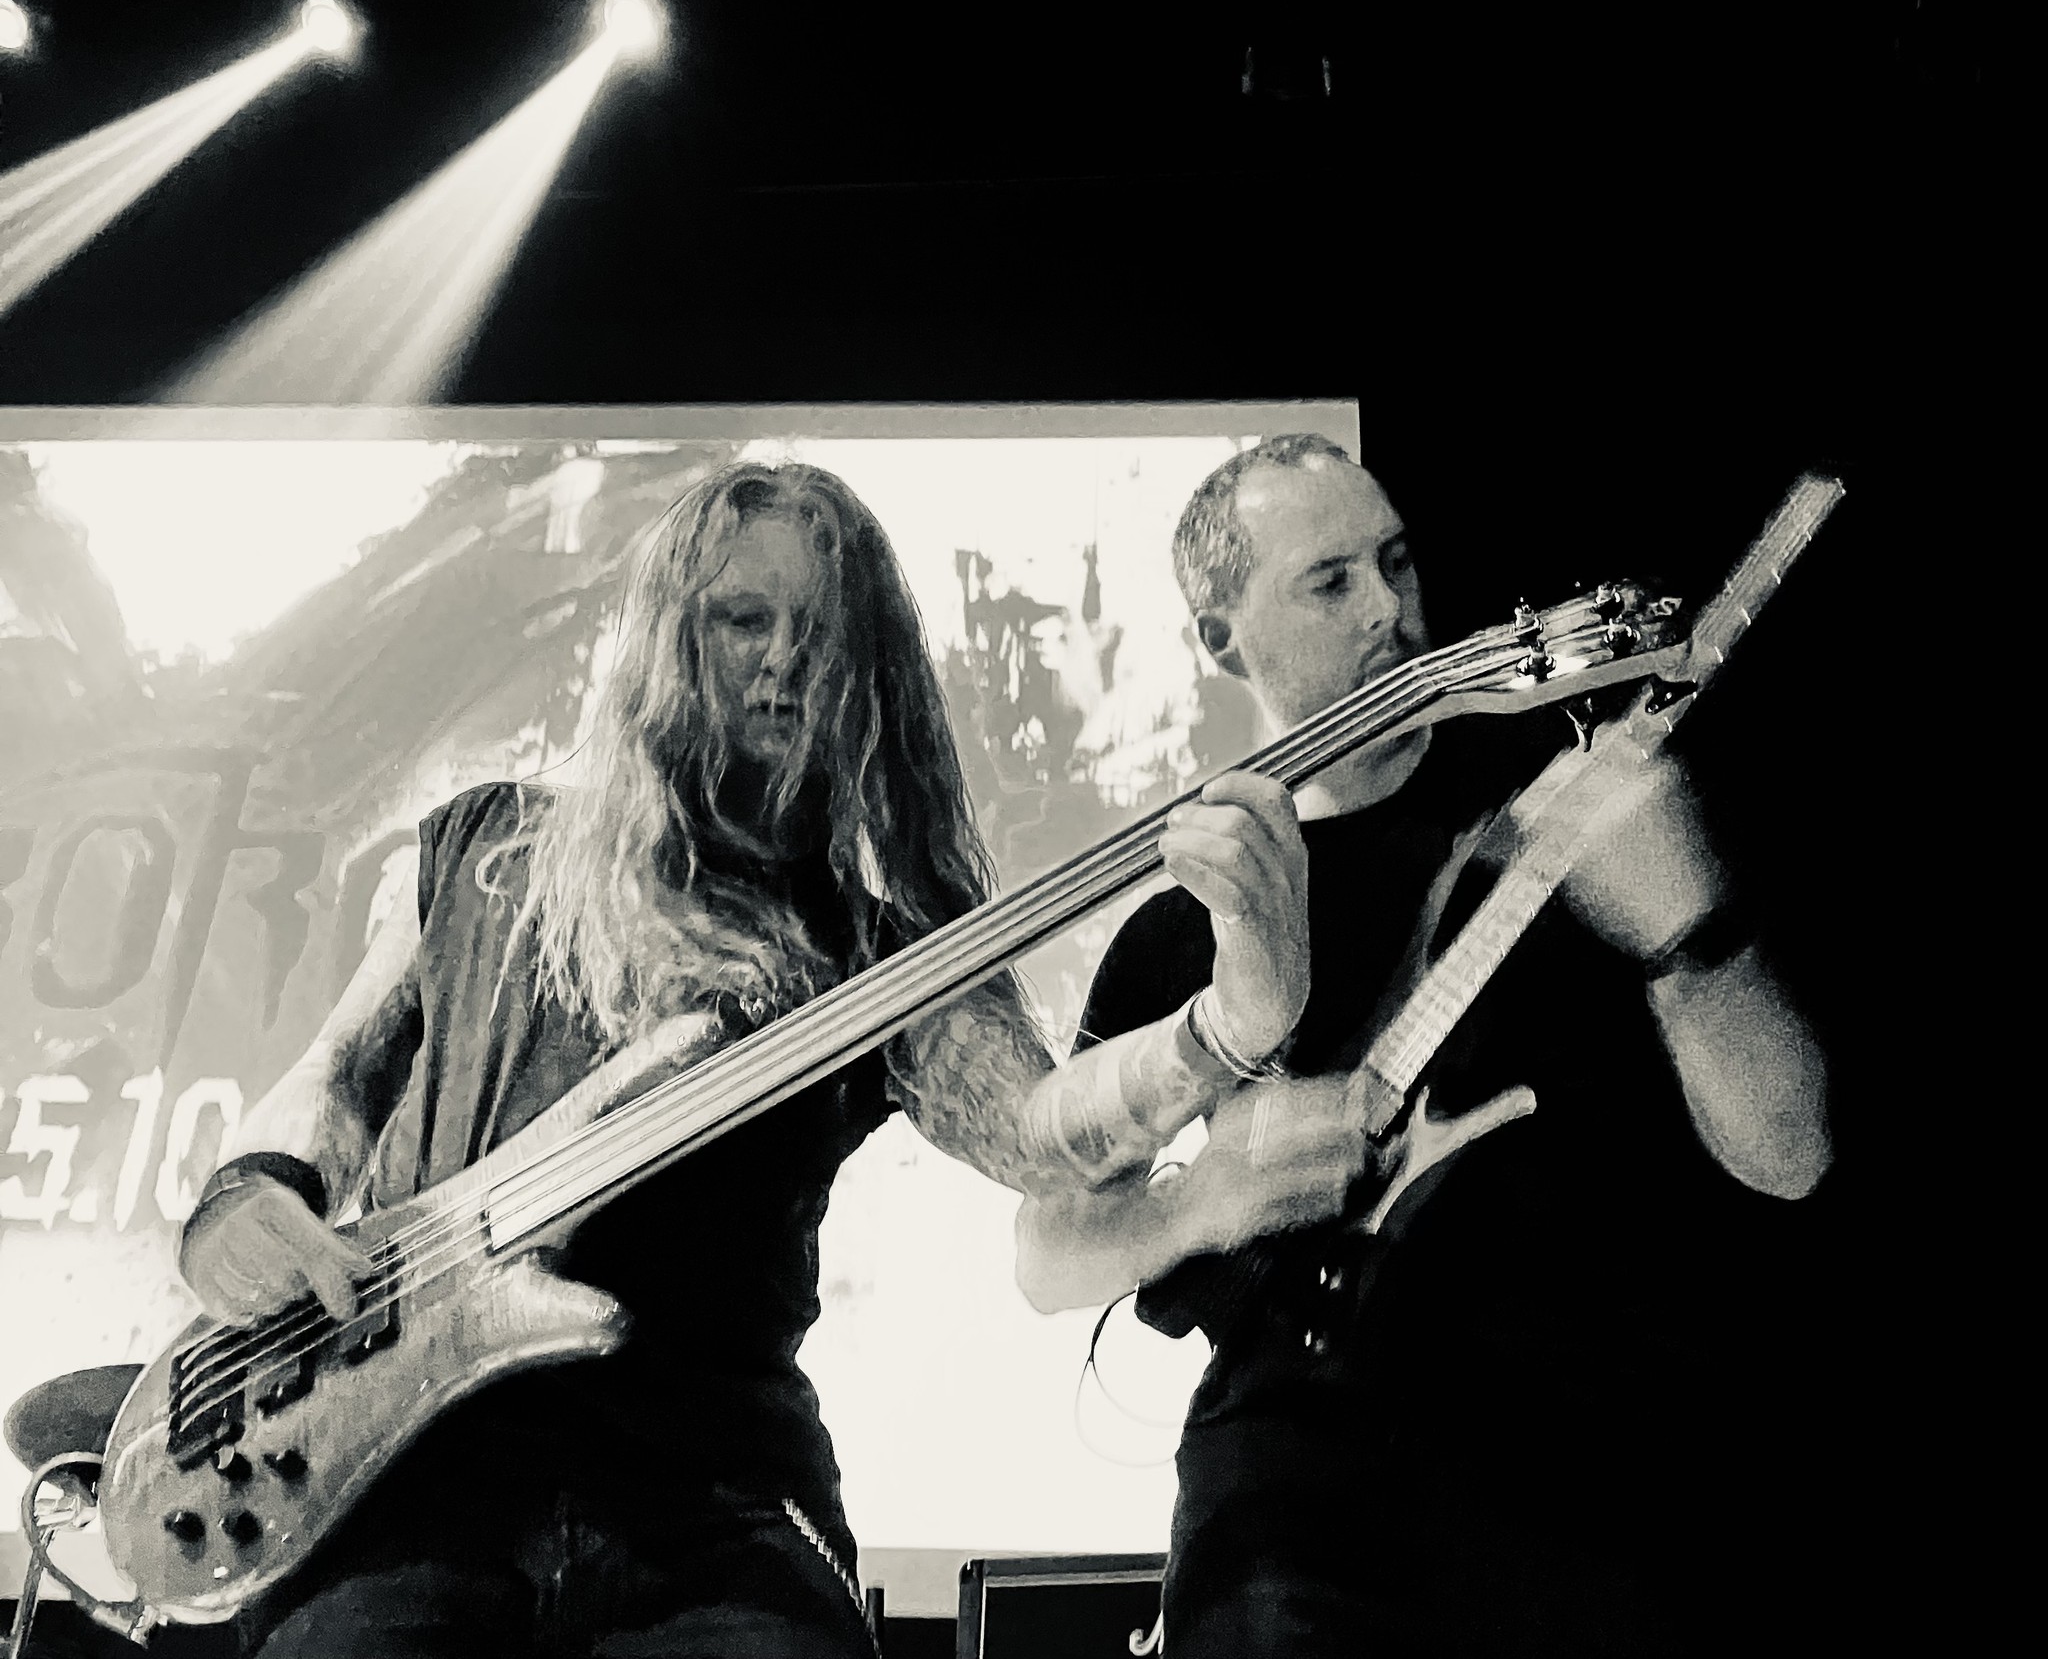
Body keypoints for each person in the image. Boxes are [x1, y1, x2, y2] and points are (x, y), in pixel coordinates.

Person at [176, 461, 1053, 1659]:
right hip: (415, 1472)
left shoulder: (871, 951)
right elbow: (340, 1070)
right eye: (743, 620)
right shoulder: (486, 847)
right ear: (669, 641)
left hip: (714, 1494)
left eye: (818, 633)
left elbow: (1047, 1133)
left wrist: (1220, 1030)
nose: (783, 660)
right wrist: (255, 1192)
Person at [1015, 435, 1834, 1656]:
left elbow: (1789, 1155)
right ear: (1222, 640)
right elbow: (1045, 1254)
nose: (1387, 610)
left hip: (1587, 1505)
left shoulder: (1583, 804)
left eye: (1395, 562)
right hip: (1287, 1538)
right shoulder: (1187, 919)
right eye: (1329, 582)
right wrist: (1205, 1202)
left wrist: (1690, 935)